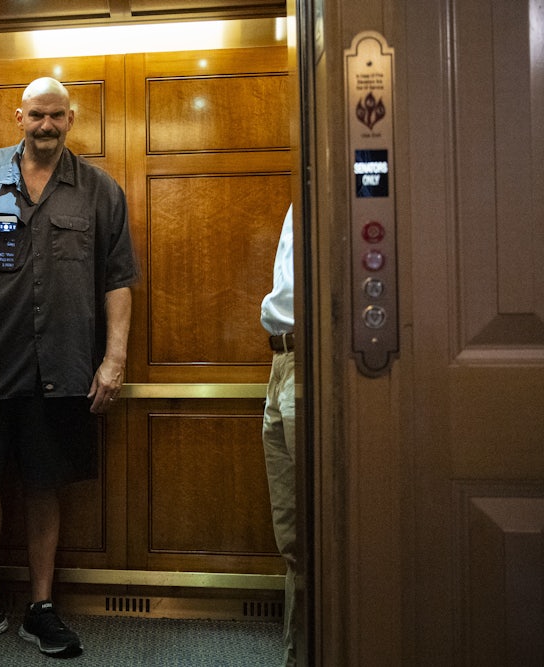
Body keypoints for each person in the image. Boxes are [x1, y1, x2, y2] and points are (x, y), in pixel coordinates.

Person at [0, 77, 138, 658]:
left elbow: (120, 279)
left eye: (57, 116)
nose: (46, 126)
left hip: (64, 367)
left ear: (71, 119)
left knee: (46, 485)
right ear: (18, 116)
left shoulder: (99, 190)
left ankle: (42, 607)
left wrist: (114, 359)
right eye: (36, 116)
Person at [260, 204, 296, 667]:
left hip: (314, 362)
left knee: (319, 528)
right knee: (292, 535)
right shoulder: (300, 199)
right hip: (281, 362)